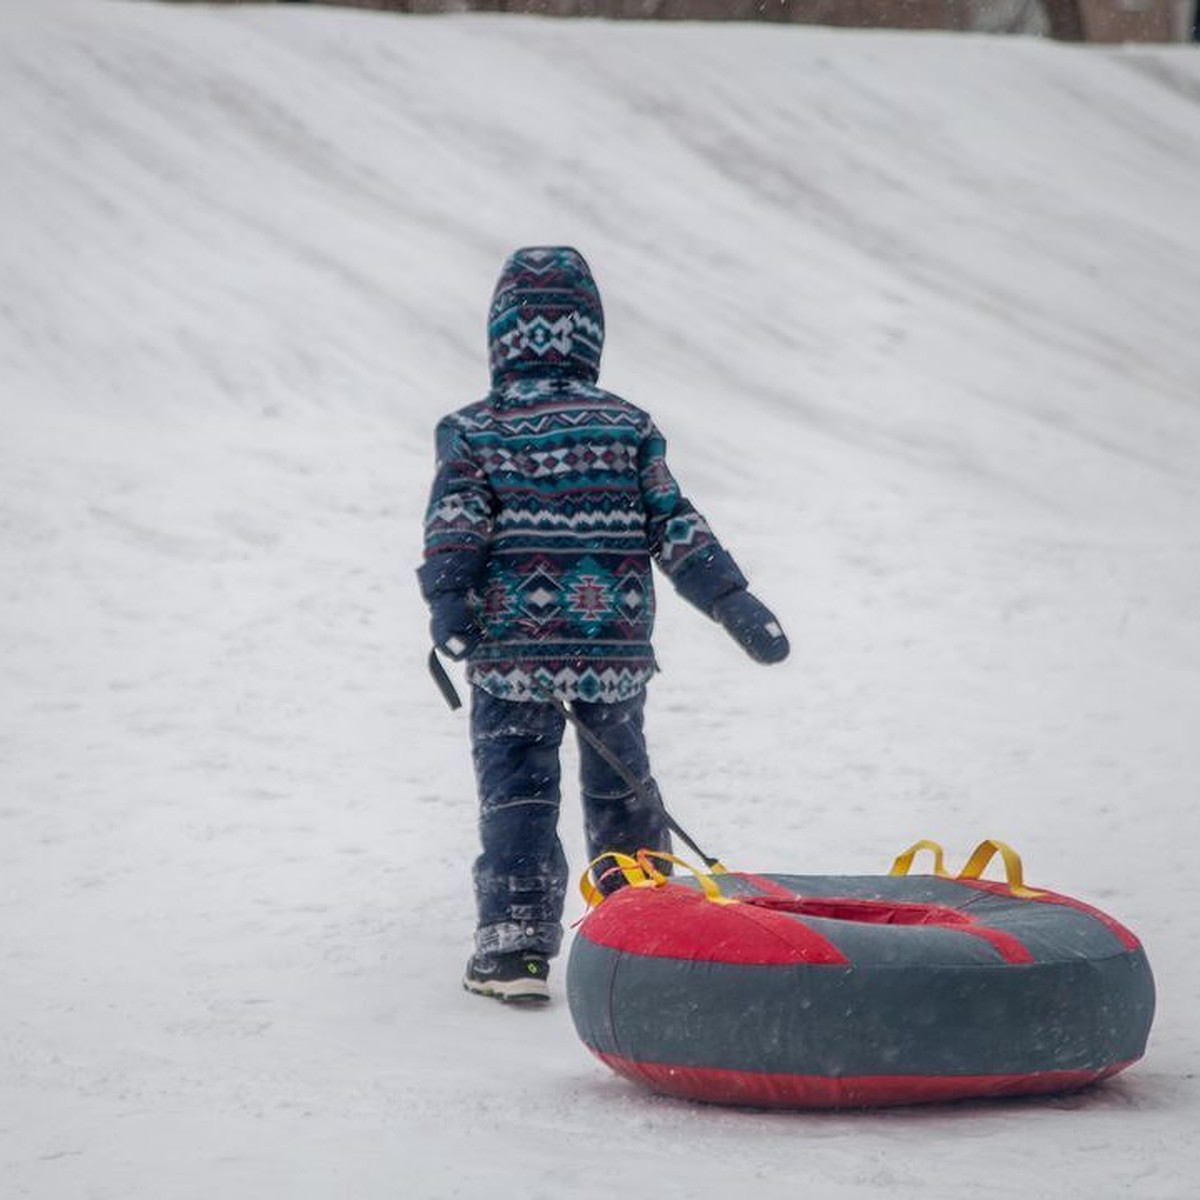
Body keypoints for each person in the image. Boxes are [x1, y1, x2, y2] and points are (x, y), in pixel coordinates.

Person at [418, 246, 789, 1002]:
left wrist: (451, 602)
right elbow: (675, 525)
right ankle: (644, 934)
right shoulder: (627, 427)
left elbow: (456, 523)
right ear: (591, 335)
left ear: (501, 336)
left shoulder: (474, 430)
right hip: (608, 645)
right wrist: (731, 599)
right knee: (624, 787)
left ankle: (513, 947)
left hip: (512, 648)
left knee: (519, 791)